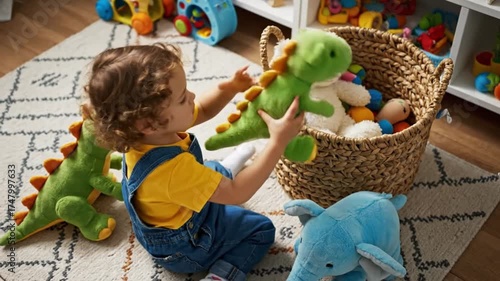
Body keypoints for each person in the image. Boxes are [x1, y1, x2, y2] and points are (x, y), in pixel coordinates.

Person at [83, 43, 305, 281]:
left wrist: (228, 89)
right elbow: (238, 193)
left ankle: (222, 174)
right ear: (148, 124)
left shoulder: (145, 134)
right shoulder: (172, 171)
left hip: (171, 211)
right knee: (261, 229)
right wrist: (277, 142)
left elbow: (202, 110)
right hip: (188, 246)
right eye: (182, 98)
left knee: (212, 171)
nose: (192, 97)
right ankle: (221, 275)